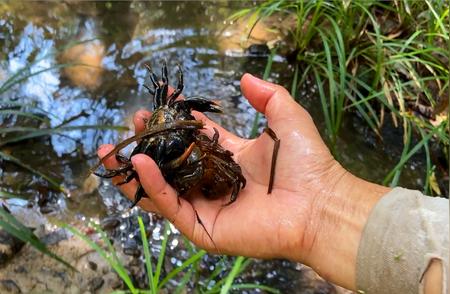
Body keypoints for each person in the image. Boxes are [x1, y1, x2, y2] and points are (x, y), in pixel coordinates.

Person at [98, 73, 448, 293]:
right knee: (146, 168)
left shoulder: (209, 152)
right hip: (188, 169)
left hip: (208, 169)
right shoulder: (184, 141)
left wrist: (319, 206)